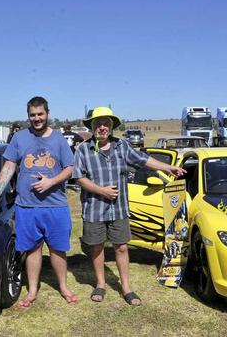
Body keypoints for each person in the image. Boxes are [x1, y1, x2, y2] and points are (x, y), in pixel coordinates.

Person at [73, 107, 186, 306]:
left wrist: (168, 167)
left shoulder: (122, 146)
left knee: (122, 247)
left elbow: (144, 160)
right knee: (97, 248)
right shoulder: (83, 149)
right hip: (93, 208)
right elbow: (79, 178)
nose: (102, 127)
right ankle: (100, 284)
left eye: (106, 123)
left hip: (118, 208)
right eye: (97, 123)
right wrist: (101, 191)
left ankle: (126, 287)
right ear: (92, 126)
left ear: (112, 126)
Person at [0, 96, 77, 308]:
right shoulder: (19, 138)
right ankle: (33, 290)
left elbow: (70, 169)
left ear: (47, 113)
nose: (37, 118)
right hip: (26, 206)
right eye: (32, 115)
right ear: (28, 116)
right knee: (33, 249)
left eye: (40, 114)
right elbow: (8, 167)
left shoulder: (59, 140)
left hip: (56, 205)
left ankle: (63, 286)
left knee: (57, 249)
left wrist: (51, 181)